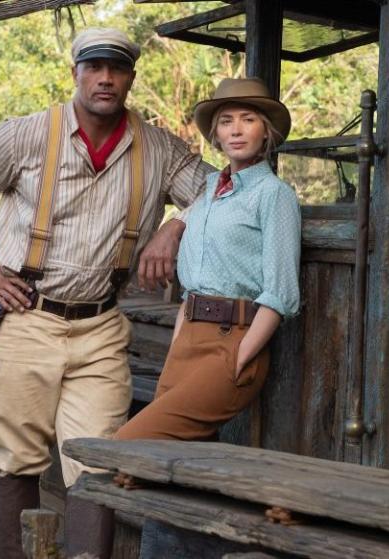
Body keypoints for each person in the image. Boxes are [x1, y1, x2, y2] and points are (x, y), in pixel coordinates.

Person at [0, 27, 214, 559]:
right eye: (95, 67)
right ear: (76, 73)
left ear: (130, 77)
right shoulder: (28, 134)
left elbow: (221, 190)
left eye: (117, 69)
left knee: (99, 460)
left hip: (102, 326)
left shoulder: (157, 148)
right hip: (26, 317)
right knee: (17, 457)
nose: (105, 78)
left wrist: (174, 227)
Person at [114, 77, 301, 464]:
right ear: (215, 133)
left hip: (233, 342)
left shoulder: (274, 195)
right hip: (187, 340)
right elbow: (192, 285)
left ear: (266, 131)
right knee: (178, 467)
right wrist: (179, 341)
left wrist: (241, 354)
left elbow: (280, 292)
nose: (235, 129)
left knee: (128, 446)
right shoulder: (208, 191)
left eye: (248, 119)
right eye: (226, 120)